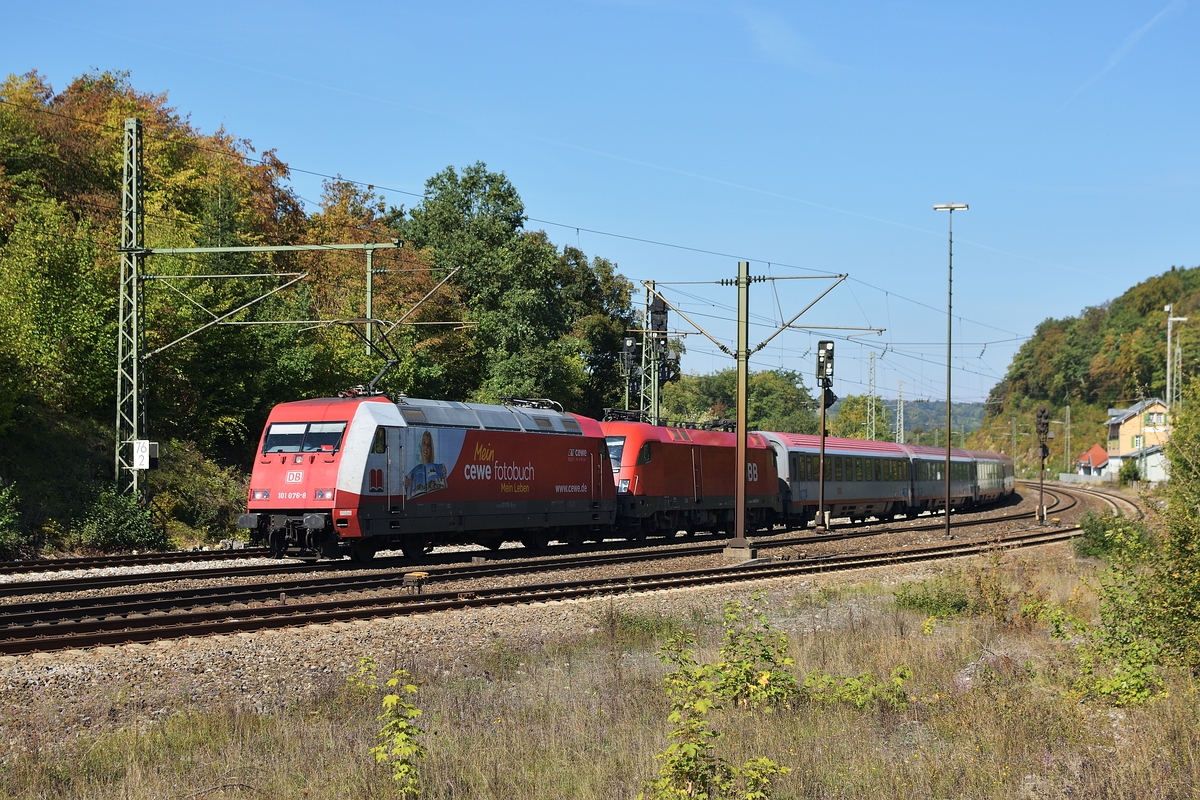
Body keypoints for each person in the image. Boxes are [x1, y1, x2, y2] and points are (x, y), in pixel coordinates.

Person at [405, 430, 447, 497]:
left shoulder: (437, 467)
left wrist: (444, 476)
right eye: (423, 443)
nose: (425, 447)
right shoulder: (412, 467)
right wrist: (405, 484)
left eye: (428, 445)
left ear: (431, 448)